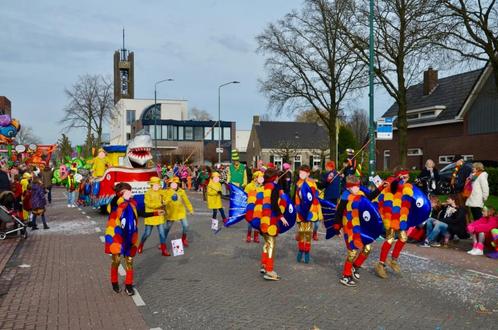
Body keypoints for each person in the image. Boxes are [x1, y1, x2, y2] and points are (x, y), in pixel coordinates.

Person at [335, 175, 382, 287]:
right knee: (352, 252)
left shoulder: (361, 193)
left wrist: (381, 188)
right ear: (348, 188)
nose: (357, 189)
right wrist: (337, 228)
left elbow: (370, 198)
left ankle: (355, 266)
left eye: (358, 187)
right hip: (349, 227)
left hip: (361, 226)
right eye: (355, 187)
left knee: (367, 248)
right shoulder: (345, 198)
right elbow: (339, 213)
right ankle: (345, 276)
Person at [248, 167, 289, 281]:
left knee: (266, 243)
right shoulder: (274, 187)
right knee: (271, 244)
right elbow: (275, 204)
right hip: (271, 220)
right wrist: (281, 216)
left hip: (262, 220)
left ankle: (264, 265)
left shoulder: (262, 187)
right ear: (275, 177)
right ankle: (269, 270)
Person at [374, 168, 413, 279]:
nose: (406, 179)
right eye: (404, 177)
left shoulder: (407, 188)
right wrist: (398, 179)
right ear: (399, 177)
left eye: (407, 177)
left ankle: (394, 260)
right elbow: (394, 185)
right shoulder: (392, 184)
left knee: (404, 238)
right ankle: (380, 264)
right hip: (390, 216)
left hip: (402, 217)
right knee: (390, 240)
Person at [104, 182, 138, 296]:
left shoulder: (132, 204)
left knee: (129, 261)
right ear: (119, 194)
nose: (128, 193)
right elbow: (112, 209)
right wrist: (121, 200)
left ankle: (128, 285)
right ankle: (114, 283)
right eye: (125, 192)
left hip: (130, 234)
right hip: (115, 235)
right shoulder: (114, 203)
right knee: (117, 260)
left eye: (129, 191)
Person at [294, 165, 322, 263]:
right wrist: (297, 208)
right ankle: (301, 250)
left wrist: (312, 212)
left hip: (309, 212)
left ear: (308, 173)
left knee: (308, 233)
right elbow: (296, 198)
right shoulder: (298, 183)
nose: (301, 174)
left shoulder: (312, 184)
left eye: (304, 173)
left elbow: (314, 198)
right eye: (300, 172)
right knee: (301, 232)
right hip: (301, 212)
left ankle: (307, 252)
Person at [138, 177, 168, 256]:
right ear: (152, 185)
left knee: (162, 233)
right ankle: (141, 245)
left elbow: (166, 198)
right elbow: (148, 204)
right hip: (150, 216)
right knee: (147, 233)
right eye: (155, 185)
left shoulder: (161, 192)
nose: (157, 186)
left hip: (159, 216)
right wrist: (160, 204)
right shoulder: (148, 193)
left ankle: (164, 249)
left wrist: (165, 201)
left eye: (158, 185)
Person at [163, 176, 194, 248]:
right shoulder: (167, 192)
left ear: (178, 184)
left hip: (181, 212)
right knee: (167, 228)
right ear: (169, 185)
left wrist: (191, 209)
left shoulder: (181, 191)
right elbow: (164, 201)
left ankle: (183, 239)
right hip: (171, 212)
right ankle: (163, 241)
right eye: (172, 184)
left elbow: (187, 201)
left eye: (175, 184)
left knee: (186, 226)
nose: (174, 185)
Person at [244, 170, 264, 243]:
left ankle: (256, 236)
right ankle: (249, 235)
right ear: (255, 178)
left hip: (259, 207)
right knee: (250, 222)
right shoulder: (249, 186)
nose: (262, 179)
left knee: (257, 221)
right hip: (251, 207)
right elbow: (244, 195)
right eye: (260, 177)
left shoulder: (263, 187)